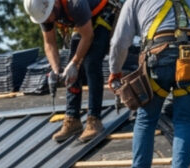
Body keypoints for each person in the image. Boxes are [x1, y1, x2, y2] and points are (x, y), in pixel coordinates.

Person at [108, 0, 190, 168]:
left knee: (146, 119)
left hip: (158, 56)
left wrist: (115, 71)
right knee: (184, 119)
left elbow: (120, 41)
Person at [24, 0, 119, 143]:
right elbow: (49, 42)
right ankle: (72, 118)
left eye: (49, 16)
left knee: (91, 61)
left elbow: (88, 36)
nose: (49, 20)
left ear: (54, 4)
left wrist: (75, 63)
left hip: (103, 12)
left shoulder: (75, 3)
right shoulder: (43, 12)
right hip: (83, 22)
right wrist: (56, 70)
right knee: (71, 67)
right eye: (45, 19)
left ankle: (94, 119)